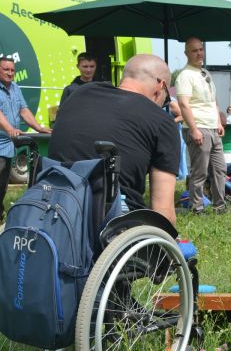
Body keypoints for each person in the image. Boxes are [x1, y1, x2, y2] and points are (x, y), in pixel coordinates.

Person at [48, 54, 178, 225]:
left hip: (52, 204)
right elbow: (163, 212)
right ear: (160, 86)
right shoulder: (162, 121)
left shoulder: (79, 94)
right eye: (166, 99)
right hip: (111, 221)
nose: (164, 104)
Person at [176, 37, 227, 215]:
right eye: (194, 50)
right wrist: (194, 129)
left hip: (213, 127)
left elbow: (213, 100)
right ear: (186, 53)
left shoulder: (205, 74)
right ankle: (197, 207)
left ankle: (220, 206)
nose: (199, 53)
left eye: (201, 49)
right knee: (200, 172)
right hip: (198, 127)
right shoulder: (185, 75)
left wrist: (219, 122)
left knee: (220, 169)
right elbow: (183, 104)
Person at [0, 57, 52, 220]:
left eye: (12, 70)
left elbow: (24, 110)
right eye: (5, 69)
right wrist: (10, 129)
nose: (9, 73)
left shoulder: (15, 88)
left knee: (2, 186)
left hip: (9, 146)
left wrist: (39, 127)